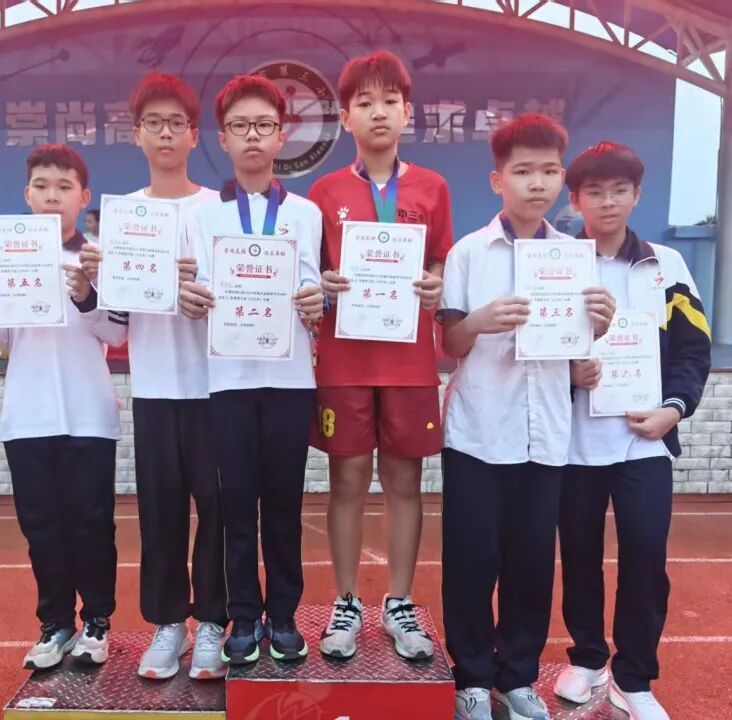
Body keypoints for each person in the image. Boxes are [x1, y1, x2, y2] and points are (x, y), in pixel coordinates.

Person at [438, 114, 615, 720]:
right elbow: (450, 344)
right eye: (522, 171)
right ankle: (470, 677)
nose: (536, 183)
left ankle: (516, 677)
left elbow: (578, 350)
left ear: (562, 180)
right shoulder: (468, 253)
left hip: (546, 436)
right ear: (498, 180)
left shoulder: (575, 257)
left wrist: (600, 325)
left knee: (532, 565)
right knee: (471, 562)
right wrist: (478, 322)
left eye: (548, 171)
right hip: (478, 434)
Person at [75, 71, 226, 681]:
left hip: (217, 388)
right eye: (153, 124)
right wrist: (91, 288)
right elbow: (115, 328)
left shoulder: (220, 210)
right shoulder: (122, 219)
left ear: (194, 135)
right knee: (161, 513)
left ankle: (213, 622)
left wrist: (203, 292)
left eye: (176, 123)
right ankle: (168, 624)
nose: (165, 134)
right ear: (136, 134)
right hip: (156, 387)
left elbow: (243, 298)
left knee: (219, 510)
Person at [553, 142, 711, 720]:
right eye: (594, 192)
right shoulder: (558, 264)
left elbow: (693, 349)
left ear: (637, 195)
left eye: (619, 190)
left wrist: (674, 409)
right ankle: (588, 658)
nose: (607, 201)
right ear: (575, 200)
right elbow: (537, 350)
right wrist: (570, 375)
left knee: (645, 555)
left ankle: (634, 678)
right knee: (579, 556)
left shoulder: (666, 266)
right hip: (573, 445)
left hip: (644, 445)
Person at [0, 144, 127, 671]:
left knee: (92, 523)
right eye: (43, 186)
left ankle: (96, 620)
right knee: (41, 526)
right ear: (27, 194)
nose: (53, 196)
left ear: (84, 196)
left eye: (64, 187)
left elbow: (117, 332)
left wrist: (87, 294)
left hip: (88, 412)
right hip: (28, 415)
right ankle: (55, 623)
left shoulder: (100, 257)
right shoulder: (6, 256)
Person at [179, 74, 324, 665]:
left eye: (264, 125)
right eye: (241, 126)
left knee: (284, 505)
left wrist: (317, 300)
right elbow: (193, 288)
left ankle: (283, 615)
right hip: (228, 382)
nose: (253, 136)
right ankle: (243, 616)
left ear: (282, 135)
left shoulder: (307, 213)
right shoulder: (202, 216)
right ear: (223, 138)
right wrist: (190, 299)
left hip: (290, 381)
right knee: (236, 505)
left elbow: (314, 284)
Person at [311, 50, 450, 662]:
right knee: (345, 481)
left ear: (407, 112)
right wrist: (325, 282)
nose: (378, 112)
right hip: (344, 360)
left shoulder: (432, 187)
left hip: (409, 361)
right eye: (364, 103)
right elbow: (313, 272)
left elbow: (439, 258)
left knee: (403, 481)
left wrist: (435, 280)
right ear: (345, 118)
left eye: (389, 101)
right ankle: (345, 601)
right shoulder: (324, 191)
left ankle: (399, 601)